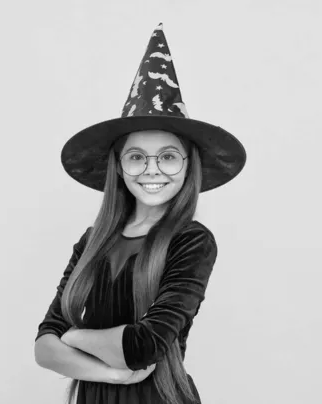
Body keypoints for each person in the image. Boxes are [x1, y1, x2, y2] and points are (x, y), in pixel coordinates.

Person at [34, 23, 246, 404]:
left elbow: (143, 346)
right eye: (136, 157)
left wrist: (75, 337)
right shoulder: (93, 241)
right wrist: (111, 375)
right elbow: (44, 347)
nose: (152, 170)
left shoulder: (191, 241)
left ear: (187, 166)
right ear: (118, 166)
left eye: (167, 156)